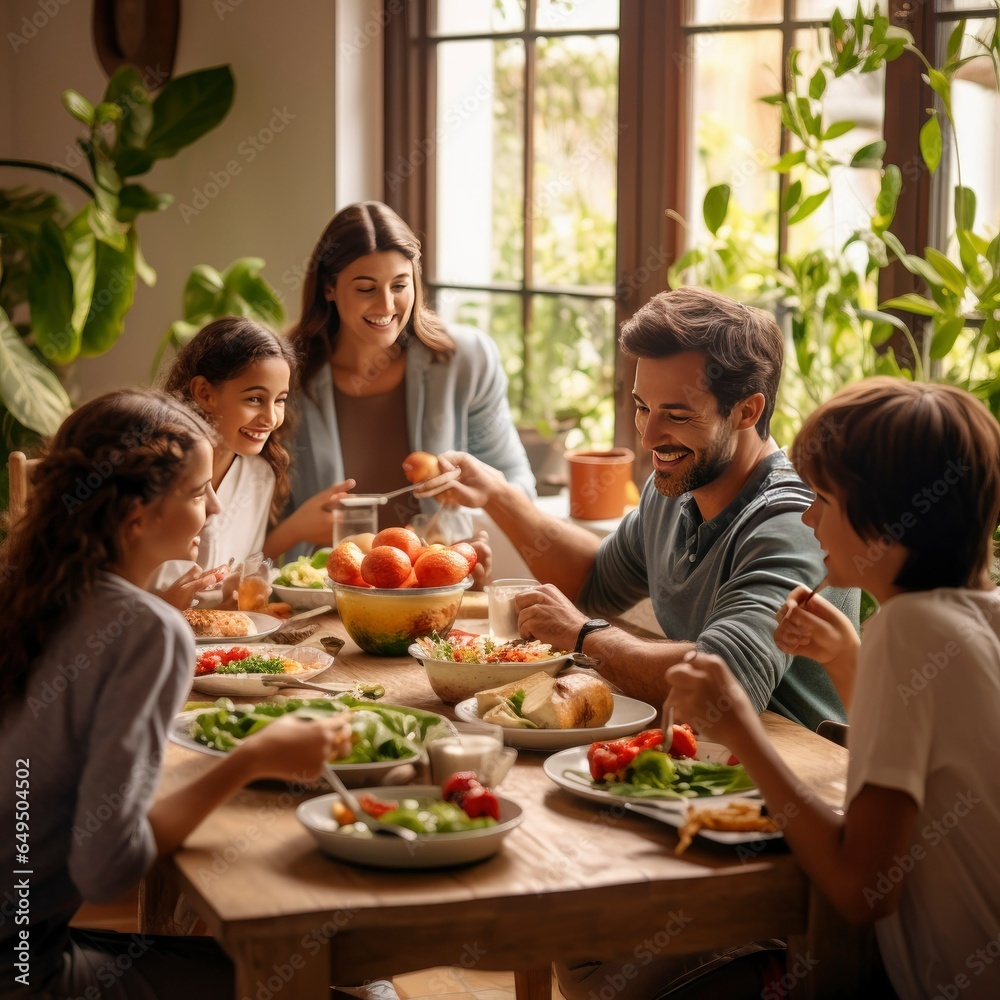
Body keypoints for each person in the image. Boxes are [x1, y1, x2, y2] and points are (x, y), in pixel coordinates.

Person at [0, 388, 382, 999]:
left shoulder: (23, 588)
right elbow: (108, 869)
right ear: (136, 519)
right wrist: (253, 757)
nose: (212, 507)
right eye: (197, 490)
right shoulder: (146, 632)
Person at [668, 378, 1000, 999]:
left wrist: (739, 725)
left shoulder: (911, 630)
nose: (806, 516)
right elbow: (934, 761)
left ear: (887, 524)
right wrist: (850, 662)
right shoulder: (975, 616)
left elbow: (860, 887)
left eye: (822, 497)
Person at [434, 286, 856, 732]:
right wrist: (499, 495)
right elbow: (597, 583)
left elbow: (726, 683)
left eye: (676, 415)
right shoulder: (674, 487)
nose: (649, 438)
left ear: (747, 411)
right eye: (642, 407)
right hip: (699, 756)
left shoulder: (793, 523)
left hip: (796, 769)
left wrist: (583, 636)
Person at [285, 200, 535, 544]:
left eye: (399, 286)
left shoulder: (467, 360)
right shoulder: (285, 376)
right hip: (318, 590)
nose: (386, 306)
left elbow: (518, 486)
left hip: (430, 584)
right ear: (329, 287)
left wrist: (469, 526)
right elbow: (251, 517)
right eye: (366, 288)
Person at [157, 317, 353, 602]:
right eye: (254, 399)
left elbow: (238, 582)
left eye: (280, 400)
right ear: (204, 392)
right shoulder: (155, 470)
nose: (271, 418)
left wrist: (236, 592)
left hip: (225, 638)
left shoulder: (260, 475)